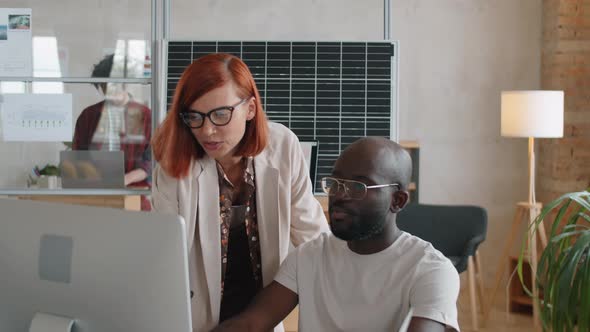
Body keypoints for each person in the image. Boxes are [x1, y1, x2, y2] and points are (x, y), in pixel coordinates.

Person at [150, 53, 329, 332]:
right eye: (194, 116)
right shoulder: (175, 162)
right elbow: (163, 261)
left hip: (261, 319)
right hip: (194, 321)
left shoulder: (283, 146)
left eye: (221, 114)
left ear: (250, 109)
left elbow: (314, 240)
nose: (207, 131)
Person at [212, 137, 460, 332]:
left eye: (357, 187)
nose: (339, 196)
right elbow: (251, 324)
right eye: (335, 183)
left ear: (397, 200)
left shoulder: (430, 270)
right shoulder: (309, 256)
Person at [72, 54, 152, 192]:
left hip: (135, 193)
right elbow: (78, 156)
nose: (110, 90)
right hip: (95, 193)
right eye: (104, 85)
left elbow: (154, 161)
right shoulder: (88, 116)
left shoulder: (146, 116)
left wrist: (126, 179)